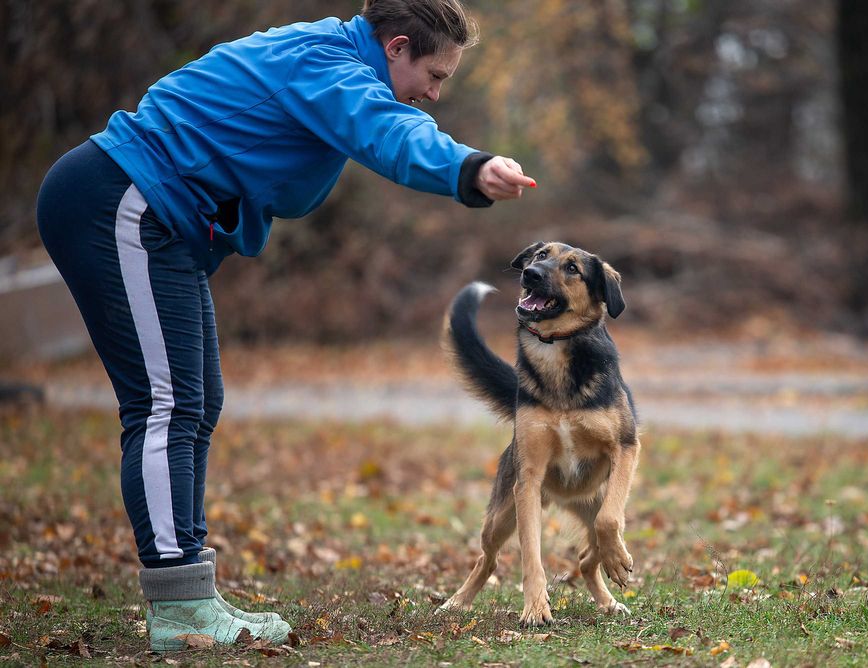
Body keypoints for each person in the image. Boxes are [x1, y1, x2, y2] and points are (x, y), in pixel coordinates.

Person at [35, 0, 534, 651]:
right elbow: (388, 131)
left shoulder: (335, 61)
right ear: (397, 47)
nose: (434, 95)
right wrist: (468, 166)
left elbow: (368, 126)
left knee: (196, 401)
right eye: (434, 76)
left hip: (156, 219)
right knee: (166, 404)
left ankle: (192, 593)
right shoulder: (331, 66)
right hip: (121, 199)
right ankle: (179, 607)